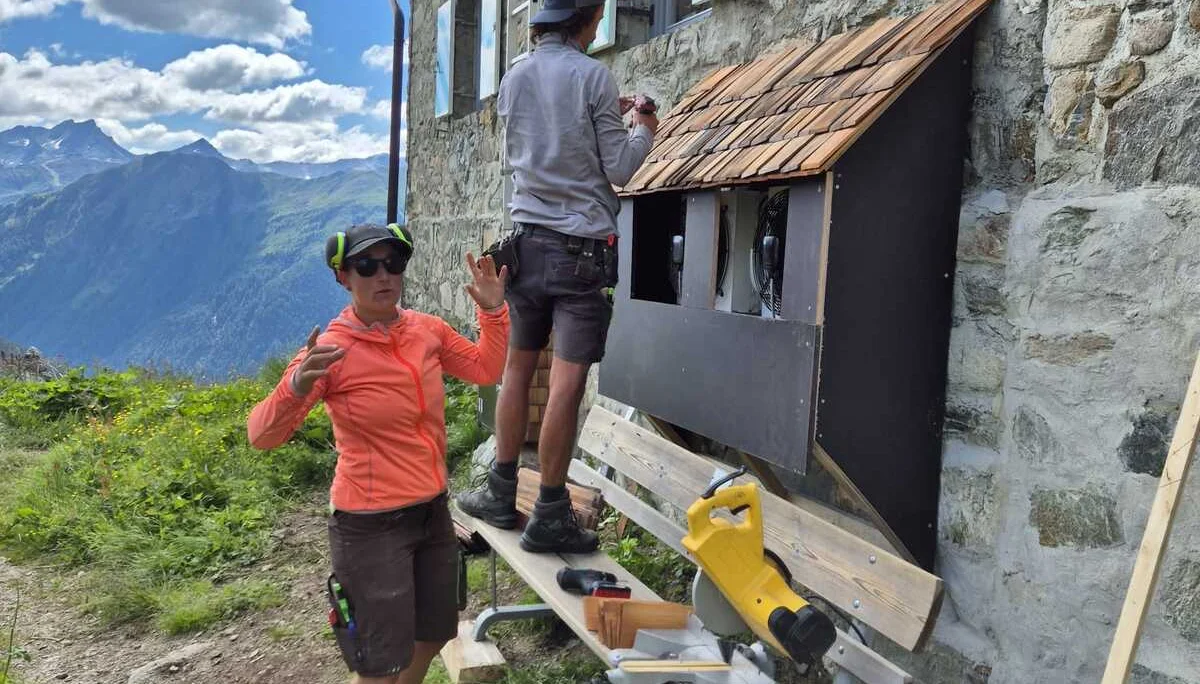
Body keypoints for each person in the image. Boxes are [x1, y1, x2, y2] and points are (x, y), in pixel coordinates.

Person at [246, 223, 509, 684]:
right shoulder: (329, 350)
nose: (383, 276)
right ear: (342, 278)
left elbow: (486, 367)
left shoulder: (427, 331)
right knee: (379, 662)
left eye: (394, 264)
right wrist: (295, 385)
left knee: (432, 635)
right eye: (366, 266)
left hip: (431, 512)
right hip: (369, 525)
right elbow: (262, 436)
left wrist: (493, 311)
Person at [457, 0, 658, 554]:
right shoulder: (594, 75)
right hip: (580, 254)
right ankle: (550, 510)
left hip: (526, 246)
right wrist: (641, 127)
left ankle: (500, 489)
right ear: (584, 22)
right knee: (566, 383)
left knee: (518, 369)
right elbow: (619, 167)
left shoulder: (515, 75)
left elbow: (546, 139)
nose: (598, 31)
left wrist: (597, 115)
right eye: (597, 22)